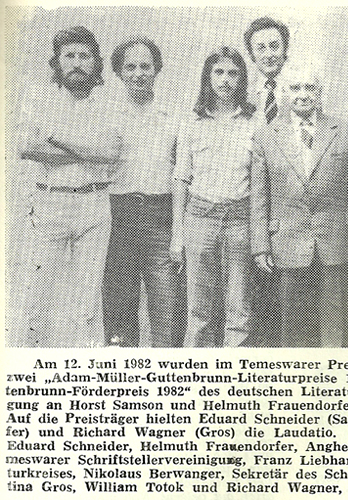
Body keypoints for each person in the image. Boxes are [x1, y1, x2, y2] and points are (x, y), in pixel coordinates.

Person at [250, 63, 348, 347]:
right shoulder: (267, 135)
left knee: (333, 321)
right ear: (284, 93)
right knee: (292, 323)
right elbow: (259, 198)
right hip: (287, 241)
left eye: (309, 88)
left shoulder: (343, 130)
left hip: (334, 240)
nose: (302, 95)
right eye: (295, 88)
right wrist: (260, 245)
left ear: (320, 92)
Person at [18, 26, 121, 347]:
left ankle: (86, 366)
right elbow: (27, 147)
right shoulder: (39, 99)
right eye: (69, 56)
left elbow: (109, 155)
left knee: (87, 300)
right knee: (39, 293)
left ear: (96, 63)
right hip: (50, 203)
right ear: (57, 62)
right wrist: (86, 148)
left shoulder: (110, 103)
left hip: (94, 204)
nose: (77, 62)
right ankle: (33, 365)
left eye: (85, 56)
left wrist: (55, 136)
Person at [102, 38, 185, 348]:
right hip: (117, 217)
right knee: (120, 312)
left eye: (146, 66)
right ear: (119, 73)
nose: (138, 74)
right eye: (130, 67)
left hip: (160, 216)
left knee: (167, 310)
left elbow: (181, 175)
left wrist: (178, 232)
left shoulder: (174, 115)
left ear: (157, 70)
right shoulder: (106, 114)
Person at [172, 47, 256, 348]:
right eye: (218, 72)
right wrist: (177, 237)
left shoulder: (254, 123)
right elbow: (181, 178)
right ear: (208, 77)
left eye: (233, 73)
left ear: (241, 80)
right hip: (199, 218)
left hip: (240, 220)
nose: (225, 80)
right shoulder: (192, 122)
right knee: (198, 309)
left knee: (239, 308)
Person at [243, 16, 290, 346]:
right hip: (252, 203)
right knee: (255, 291)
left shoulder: (303, 91)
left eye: (275, 46)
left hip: (291, 208)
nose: (269, 54)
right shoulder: (244, 97)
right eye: (261, 48)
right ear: (252, 54)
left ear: (286, 49)